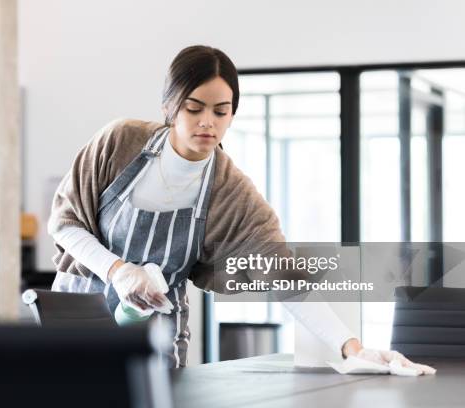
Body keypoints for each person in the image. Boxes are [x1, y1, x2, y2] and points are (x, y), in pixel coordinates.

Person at [47, 45, 436, 374]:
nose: (207, 123)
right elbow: (65, 223)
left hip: (155, 334)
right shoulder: (120, 142)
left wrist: (352, 349)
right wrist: (119, 271)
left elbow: (286, 278)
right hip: (78, 318)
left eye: (221, 111)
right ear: (170, 105)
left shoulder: (229, 190)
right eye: (194, 108)